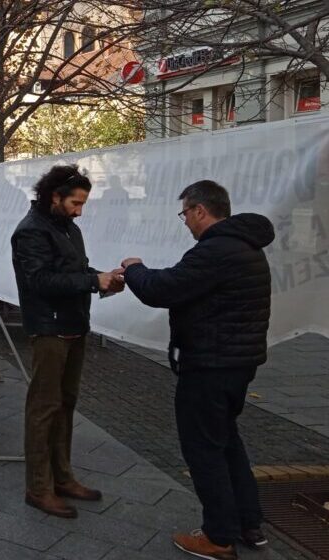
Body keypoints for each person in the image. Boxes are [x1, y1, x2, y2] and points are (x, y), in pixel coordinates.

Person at [121, 181, 272, 560]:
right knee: (226, 441)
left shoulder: (216, 251)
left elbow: (164, 289)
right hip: (237, 363)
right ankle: (248, 524)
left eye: (185, 213)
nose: (185, 221)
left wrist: (135, 268)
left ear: (201, 211)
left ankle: (218, 537)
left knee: (204, 449)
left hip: (210, 365)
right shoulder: (245, 246)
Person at [10, 164, 124, 519]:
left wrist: (103, 279)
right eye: (75, 202)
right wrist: (94, 282)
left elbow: (75, 273)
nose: (80, 210)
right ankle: (39, 488)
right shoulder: (30, 232)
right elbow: (40, 282)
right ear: (54, 197)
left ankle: (63, 477)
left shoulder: (68, 228)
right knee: (44, 407)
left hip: (74, 325)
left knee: (66, 403)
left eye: (82, 204)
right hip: (49, 330)